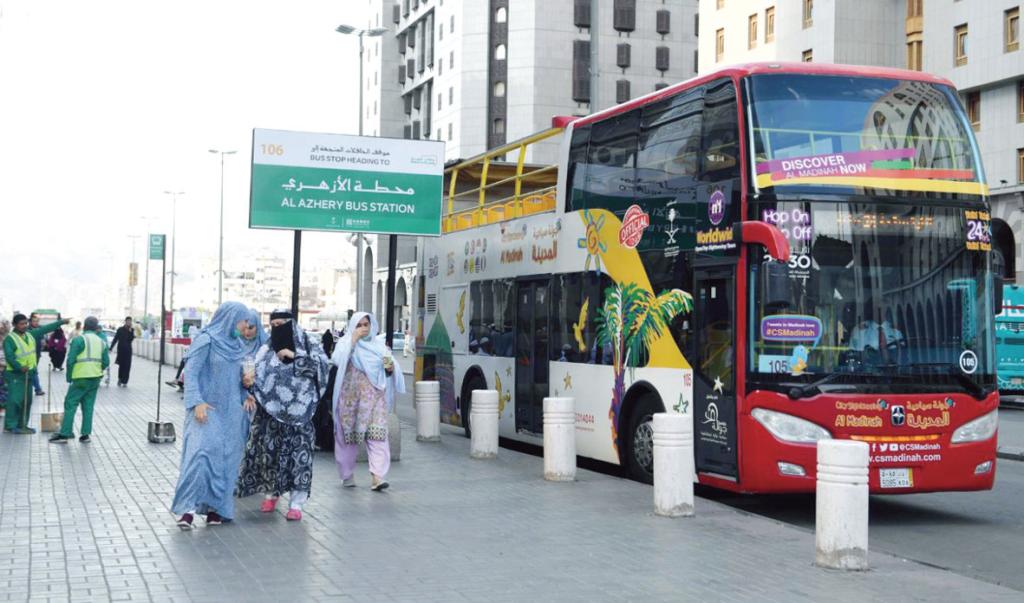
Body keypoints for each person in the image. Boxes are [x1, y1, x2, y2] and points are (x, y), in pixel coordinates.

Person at [170, 302, 260, 529]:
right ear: (229, 318)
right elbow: (191, 373)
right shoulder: (206, 339)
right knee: (199, 455)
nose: (244, 327)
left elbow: (237, 379)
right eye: (242, 322)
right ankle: (187, 510)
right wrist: (196, 401)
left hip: (231, 412)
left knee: (227, 460)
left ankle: (216, 509)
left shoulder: (238, 345)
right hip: (206, 410)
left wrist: (246, 391)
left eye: (247, 324)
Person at [237, 309, 328, 521]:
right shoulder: (267, 347)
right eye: (274, 324)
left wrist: (295, 356)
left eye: (282, 324)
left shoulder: (308, 342)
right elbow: (255, 372)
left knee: (299, 458)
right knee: (271, 456)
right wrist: (249, 385)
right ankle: (272, 494)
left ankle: (297, 503)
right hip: (270, 413)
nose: (278, 329)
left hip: (301, 414)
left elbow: (323, 366)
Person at [331, 312, 405, 491]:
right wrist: (353, 341)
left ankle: (377, 477)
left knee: (377, 435)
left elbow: (389, 369)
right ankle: (347, 474)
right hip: (351, 401)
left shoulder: (379, 346)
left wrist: (390, 369)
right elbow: (337, 360)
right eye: (359, 325)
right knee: (347, 438)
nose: (364, 328)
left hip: (375, 400)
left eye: (367, 324)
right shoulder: (345, 343)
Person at [3, 313, 68, 433]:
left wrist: (61, 322)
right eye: (21, 324)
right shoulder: (10, 339)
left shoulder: (30, 335)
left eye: (25, 323)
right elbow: (10, 357)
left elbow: (45, 329)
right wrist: (19, 367)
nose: (24, 326)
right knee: (15, 400)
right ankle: (10, 426)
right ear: (14, 325)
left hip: (29, 373)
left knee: (27, 401)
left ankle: (22, 425)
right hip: (16, 375)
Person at [49, 317, 109, 444]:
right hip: (95, 378)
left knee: (70, 403)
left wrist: (69, 376)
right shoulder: (101, 341)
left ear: (84, 326)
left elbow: (70, 360)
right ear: (96, 327)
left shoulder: (79, 340)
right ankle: (85, 435)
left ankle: (65, 433)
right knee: (88, 406)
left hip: (81, 377)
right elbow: (106, 362)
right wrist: (98, 370)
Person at [109, 317, 135, 387]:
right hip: (121, 350)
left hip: (128, 351)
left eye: (130, 321)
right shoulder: (120, 329)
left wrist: (130, 331)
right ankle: (120, 379)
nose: (129, 322)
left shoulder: (132, 330)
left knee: (127, 366)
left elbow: (131, 339)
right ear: (125, 321)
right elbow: (115, 339)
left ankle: (125, 381)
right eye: (128, 321)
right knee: (121, 365)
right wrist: (111, 348)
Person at [28, 313, 45, 395]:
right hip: (28, 355)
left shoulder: (40, 328)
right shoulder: (27, 329)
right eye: (34, 321)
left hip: (37, 354)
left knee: (33, 371)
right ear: (30, 321)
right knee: (33, 371)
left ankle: (36, 388)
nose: (36, 323)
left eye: (37, 321)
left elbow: (42, 340)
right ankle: (37, 389)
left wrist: (43, 343)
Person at [0, 318, 10, 414]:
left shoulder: (8, 338)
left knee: (4, 388)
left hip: (6, 367)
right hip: (2, 366)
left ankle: (2, 407)